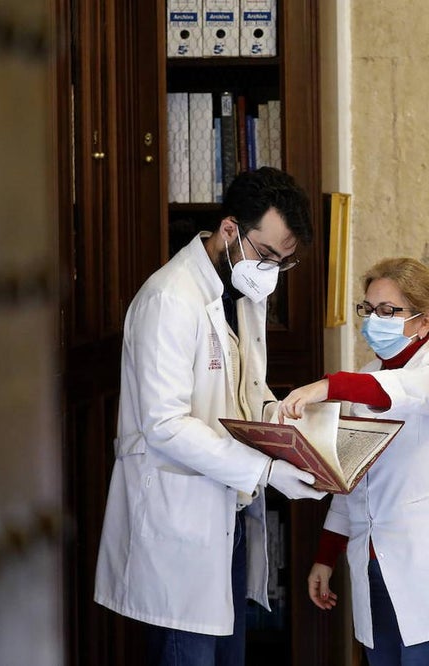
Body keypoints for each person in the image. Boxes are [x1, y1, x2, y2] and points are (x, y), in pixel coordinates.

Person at [94, 167, 327, 666]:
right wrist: (266, 470)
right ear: (229, 230)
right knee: (189, 652)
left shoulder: (240, 295)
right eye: (266, 255)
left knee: (228, 654)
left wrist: (295, 430)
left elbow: (247, 390)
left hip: (229, 512)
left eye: (283, 264)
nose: (270, 271)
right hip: (180, 518)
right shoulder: (169, 298)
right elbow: (165, 425)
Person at [276, 257, 429, 666]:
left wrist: (329, 386)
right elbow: (353, 474)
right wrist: (326, 555)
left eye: (387, 311)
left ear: (423, 321)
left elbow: (405, 390)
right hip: (375, 568)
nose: (373, 320)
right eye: (368, 309)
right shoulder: (366, 376)